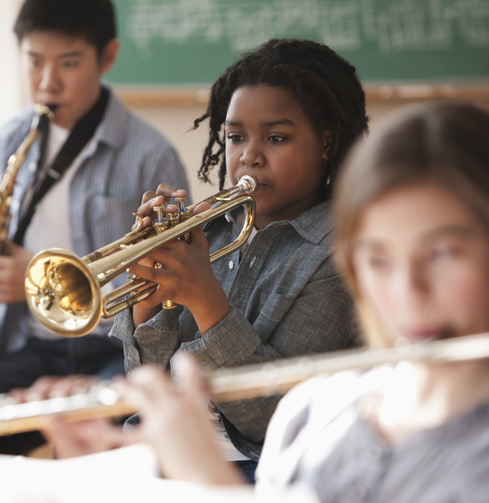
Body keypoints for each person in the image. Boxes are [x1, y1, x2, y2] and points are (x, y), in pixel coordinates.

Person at [44, 100, 489, 503]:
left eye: (442, 254)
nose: (408, 292)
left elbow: (259, 420)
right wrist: (150, 289)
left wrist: (202, 477)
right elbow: (149, 376)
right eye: (378, 259)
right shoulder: (314, 413)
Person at [20, 38, 369, 480]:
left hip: (258, 468)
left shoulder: (343, 252)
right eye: (236, 137)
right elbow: (147, 381)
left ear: (327, 142)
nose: (249, 156)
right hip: (162, 445)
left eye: (276, 138)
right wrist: (147, 296)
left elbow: (273, 419)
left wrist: (205, 299)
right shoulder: (212, 231)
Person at [0, 0, 187, 455]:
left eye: (68, 63)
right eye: (34, 62)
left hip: (116, 354)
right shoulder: (13, 136)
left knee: (100, 438)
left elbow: (175, 289)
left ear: (106, 57)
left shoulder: (151, 155)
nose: (47, 82)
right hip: (31, 351)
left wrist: (33, 280)